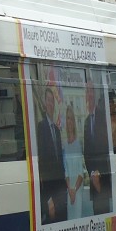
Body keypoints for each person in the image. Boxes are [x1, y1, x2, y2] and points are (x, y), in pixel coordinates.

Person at [35, 83, 68, 223]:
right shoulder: (40, 127)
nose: (50, 104)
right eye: (48, 100)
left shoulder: (56, 129)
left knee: (62, 218)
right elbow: (40, 161)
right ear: (44, 103)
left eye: (52, 101)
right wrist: (47, 198)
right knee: (51, 218)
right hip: (48, 186)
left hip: (60, 184)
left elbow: (60, 159)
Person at [82, 79, 113, 215]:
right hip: (94, 177)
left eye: (91, 91)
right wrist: (92, 173)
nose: (90, 94)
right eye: (87, 91)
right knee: (97, 213)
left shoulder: (103, 115)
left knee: (105, 211)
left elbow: (107, 144)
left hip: (104, 175)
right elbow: (86, 152)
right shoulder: (87, 121)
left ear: (95, 94)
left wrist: (100, 173)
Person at [62, 103, 88, 220]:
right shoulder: (65, 144)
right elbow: (66, 170)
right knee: (70, 218)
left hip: (77, 188)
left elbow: (81, 173)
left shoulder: (78, 143)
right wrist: (69, 189)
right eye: (68, 118)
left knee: (77, 218)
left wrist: (74, 190)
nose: (70, 121)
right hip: (69, 189)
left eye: (72, 118)